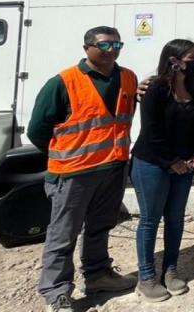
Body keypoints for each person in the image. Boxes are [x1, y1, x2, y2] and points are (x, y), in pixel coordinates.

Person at [26, 26, 138, 312]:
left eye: (117, 45)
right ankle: (57, 291)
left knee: (101, 226)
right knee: (63, 233)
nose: (112, 51)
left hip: (112, 167)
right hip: (73, 173)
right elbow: (38, 130)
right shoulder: (63, 82)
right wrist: (68, 154)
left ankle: (98, 274)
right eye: (105, 46)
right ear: (87, 47)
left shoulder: (128, 78)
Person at [130, 39, 194, 301]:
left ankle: (170, 270)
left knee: (175, 219)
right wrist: (171, 161)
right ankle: (146, 276)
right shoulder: (155, 89)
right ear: (174, 61)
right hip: (152, 163)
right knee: (150, 219)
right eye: (191, 58)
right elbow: (152, 131)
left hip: (182, 165)